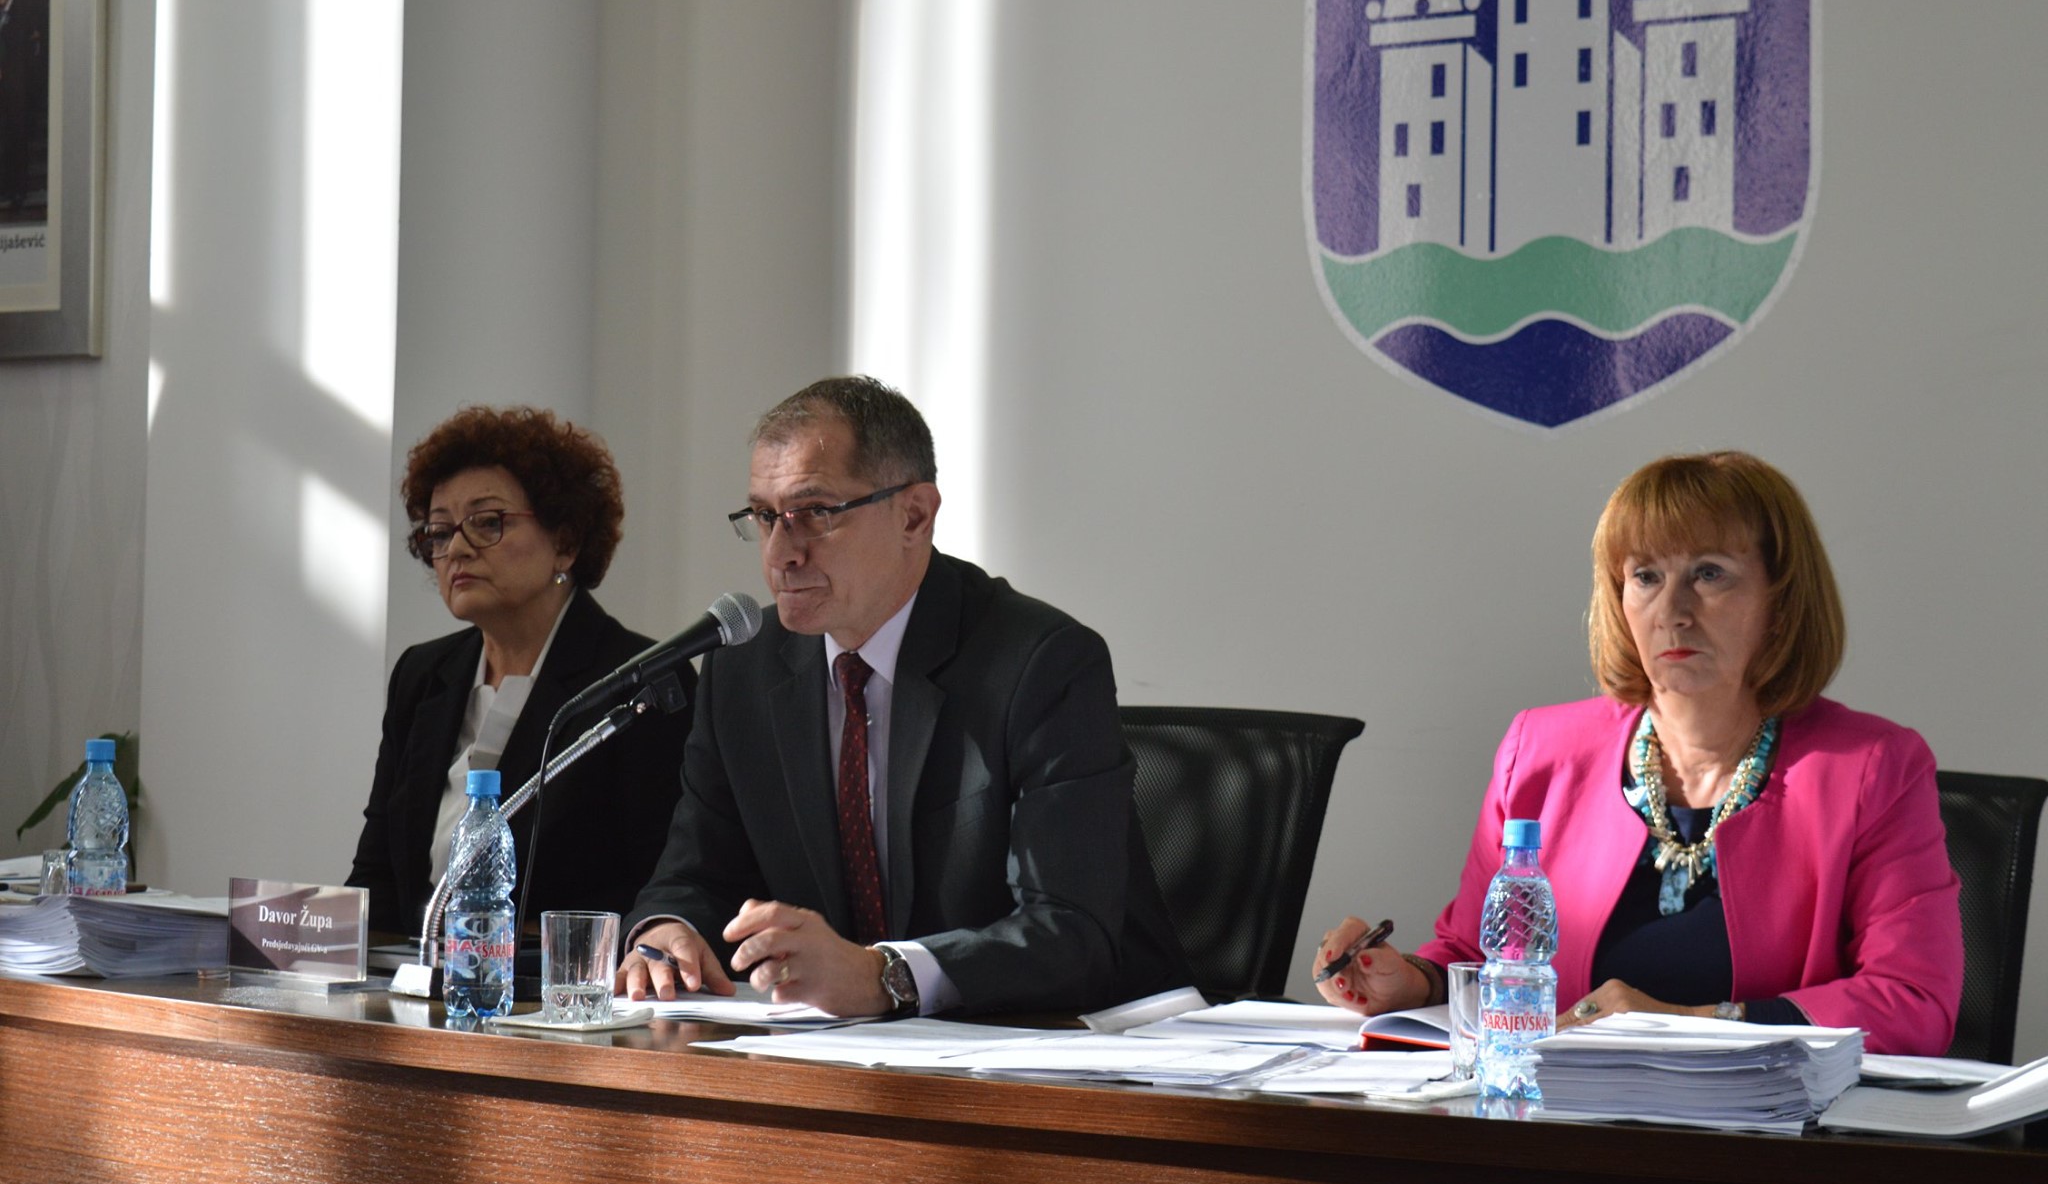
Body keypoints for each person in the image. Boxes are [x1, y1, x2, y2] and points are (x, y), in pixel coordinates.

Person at [1314, 451, 1962, 1055]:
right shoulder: (1540, 751)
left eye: (1709, 573)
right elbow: (1481, 953)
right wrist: (1412, 980)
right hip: (1559, 1114)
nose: (1672, 611)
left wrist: (1689, 1023)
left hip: (1766, 1125)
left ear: (1781, 599)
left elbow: (1913, 1000)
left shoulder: (1873, 768)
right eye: (1646, 576)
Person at [618, 375, 1188, 1017]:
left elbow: (1071, 934)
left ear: (914, 515)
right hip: (834, 1049)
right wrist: (667, 933)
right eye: (765, 517)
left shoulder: (1040, 663)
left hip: (1064, 1042)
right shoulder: (743, 668)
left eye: (815, 513)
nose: (781, 554)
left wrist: (883, 975)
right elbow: (695, 874)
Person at [348, 406, 692, 938]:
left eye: (488, 522)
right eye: (439, 532)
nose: (456, 548)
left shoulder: (641, 680)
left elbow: (663, 886)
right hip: (417, 975)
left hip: (557, 981)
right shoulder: (422, 675)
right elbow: (378, 877)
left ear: (566, 543)